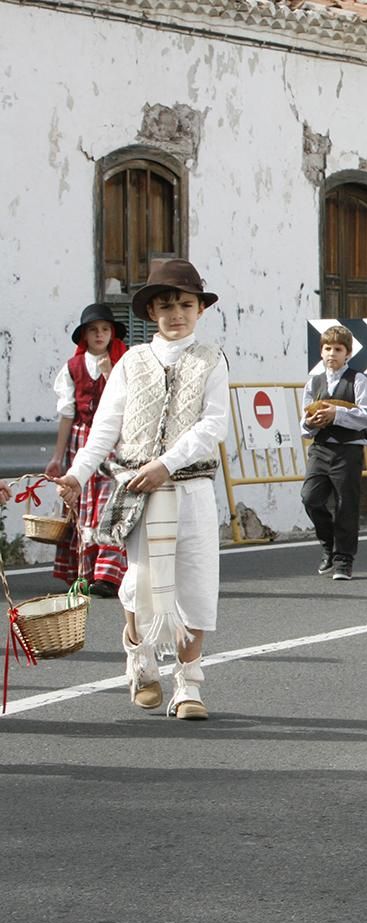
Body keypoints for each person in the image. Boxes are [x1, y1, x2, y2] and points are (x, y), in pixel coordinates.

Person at [54, 258, 228, 720]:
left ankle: (188, 685)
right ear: (151, 313)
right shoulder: (132, 361)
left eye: (185, 304)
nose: (176, 314)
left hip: (191, 489)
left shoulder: (212, 359)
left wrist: (166, 464)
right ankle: (139, 656)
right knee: (141, 583)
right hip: (137, 489)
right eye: (166, 305)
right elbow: (104, 429)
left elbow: (213, 425)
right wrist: (76, 474)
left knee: (195, 585)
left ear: (200, 310)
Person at [45, 303, 130, 596]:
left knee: (110, 503)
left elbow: (128, 405)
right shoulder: (72, 368)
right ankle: (85, 572)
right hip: (82, 440)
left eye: (105, 329)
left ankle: (108, 574)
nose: (99, 334)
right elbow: (67, 414)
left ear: (112, 334)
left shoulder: (125, 363)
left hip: (115, 441)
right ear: (84, 335)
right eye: (93, 330)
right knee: (82, 507)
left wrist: (109, 374)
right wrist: (58, 457)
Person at [300, 325, 367, 581]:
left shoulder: (358, 380)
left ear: (348, 354)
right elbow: (305, 422)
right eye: (327, 348)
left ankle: (344, 559)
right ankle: (327, 543)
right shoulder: (314, 382)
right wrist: (311, 423)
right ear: (321, 352)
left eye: (338, 349)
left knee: (346, 504)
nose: (332, 353)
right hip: (320, 449)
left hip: (348, 450)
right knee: (310, 497)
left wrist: (337, 414)